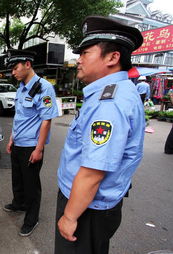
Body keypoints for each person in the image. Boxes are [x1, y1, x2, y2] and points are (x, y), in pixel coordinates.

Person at [55, 16, 145, 254]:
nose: (78, 60)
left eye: (85, 53)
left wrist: (70, 216)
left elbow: (94, 172)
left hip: (87, 208)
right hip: (90, 203)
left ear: (113, 57)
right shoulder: (112, 92)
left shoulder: (110, 102)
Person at [4, 49, 59, 237]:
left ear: (27, 64)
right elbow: (19, 116)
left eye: (15, 67)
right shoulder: (21, 87)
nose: (13, 72)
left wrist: (39, 148)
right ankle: (18, 203)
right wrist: (11, 138)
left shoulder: (44, 88)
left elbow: (46, 120)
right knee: (17, 179)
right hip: (18, 142)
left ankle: (32, 219)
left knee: (31, 184)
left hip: (31, 146)